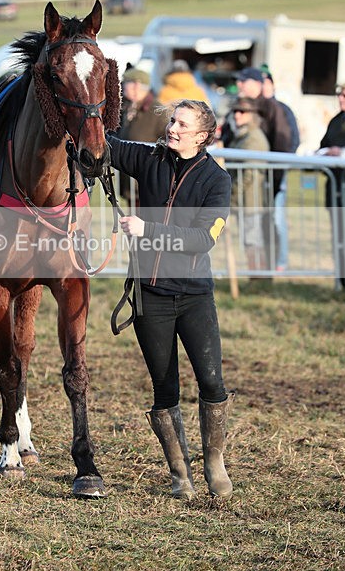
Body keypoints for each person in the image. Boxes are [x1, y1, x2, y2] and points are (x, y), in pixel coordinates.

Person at [108, 99, 234, 500]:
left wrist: (149, 230)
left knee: (211, 382)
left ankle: (214, 462)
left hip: (195, 297)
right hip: (150, 297)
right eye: (172, 122)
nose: (172, 129)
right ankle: (180, 474)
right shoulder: (150, 160)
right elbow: (103, 145)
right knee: (165, 389)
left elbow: (203, 240)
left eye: (182, 124)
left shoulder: (216, 181)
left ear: (201, 135)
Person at [260, 65, 300, 271]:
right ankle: (264, 262)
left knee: (277, 216)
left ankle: (281, 262)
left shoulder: (283, 110)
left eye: (266, 82)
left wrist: (281, 165)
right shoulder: (255, 109)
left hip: (276, 172)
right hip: (259, 173)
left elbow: (292, 140)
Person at [318, 80, 345, 290]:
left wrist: (344, 153)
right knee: (339, 236)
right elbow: (323, 145)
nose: (341, 99)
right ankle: (342, 281)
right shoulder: (336, 121)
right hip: (337, 188)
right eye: (340, 95)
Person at [229, 97, 270, 273]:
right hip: (244, 199)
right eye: (235, 111)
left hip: (251, 199)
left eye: (242, 111)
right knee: (249, 239)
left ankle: (258, 277)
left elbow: (249, 174)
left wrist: (233, 193)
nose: (237, 115)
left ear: (252, 115)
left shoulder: (253, 138)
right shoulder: (242, 135)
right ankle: (255, 276)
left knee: (253, 240)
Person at [117, 67, 165, 203]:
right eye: (128, 84)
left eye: (142, 86)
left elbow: (168, 139)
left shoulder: (157, 110)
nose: (136, 89)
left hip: (148, 180)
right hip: (129, 179)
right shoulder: (125, 108)